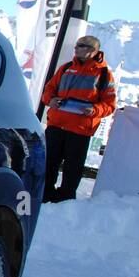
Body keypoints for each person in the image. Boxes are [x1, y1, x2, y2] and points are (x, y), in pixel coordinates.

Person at [39, 34, 116, 202]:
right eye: (76, 45)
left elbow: (110, 104)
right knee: (48, 163)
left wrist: (95, 110)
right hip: (56, 126)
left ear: (93, 51)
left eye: (81, 45)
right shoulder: (65, 68)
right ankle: (44, 194)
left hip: (80, 130)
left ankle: (66, 200)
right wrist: (50, 100)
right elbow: (48, 89)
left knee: (72, 168)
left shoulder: (104, 74)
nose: (76, 48)